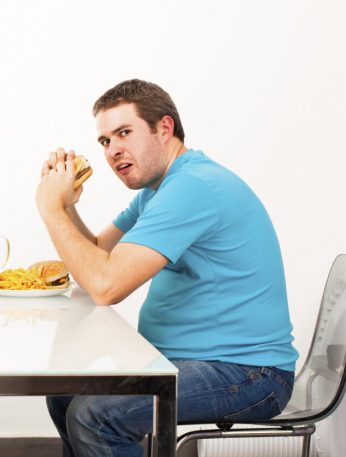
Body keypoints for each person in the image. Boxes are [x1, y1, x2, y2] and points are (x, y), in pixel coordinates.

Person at [36, 79, 298, 457]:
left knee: (96, 416)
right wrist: (65, 205)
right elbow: (93, 255)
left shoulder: (192, 188)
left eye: (124, 132)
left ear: (164, 128)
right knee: (65, 396)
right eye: (105, 141)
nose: (113, 151)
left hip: (248, 373)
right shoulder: (158, 190)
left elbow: (105, 286)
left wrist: (48, 208)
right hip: (181, 361)